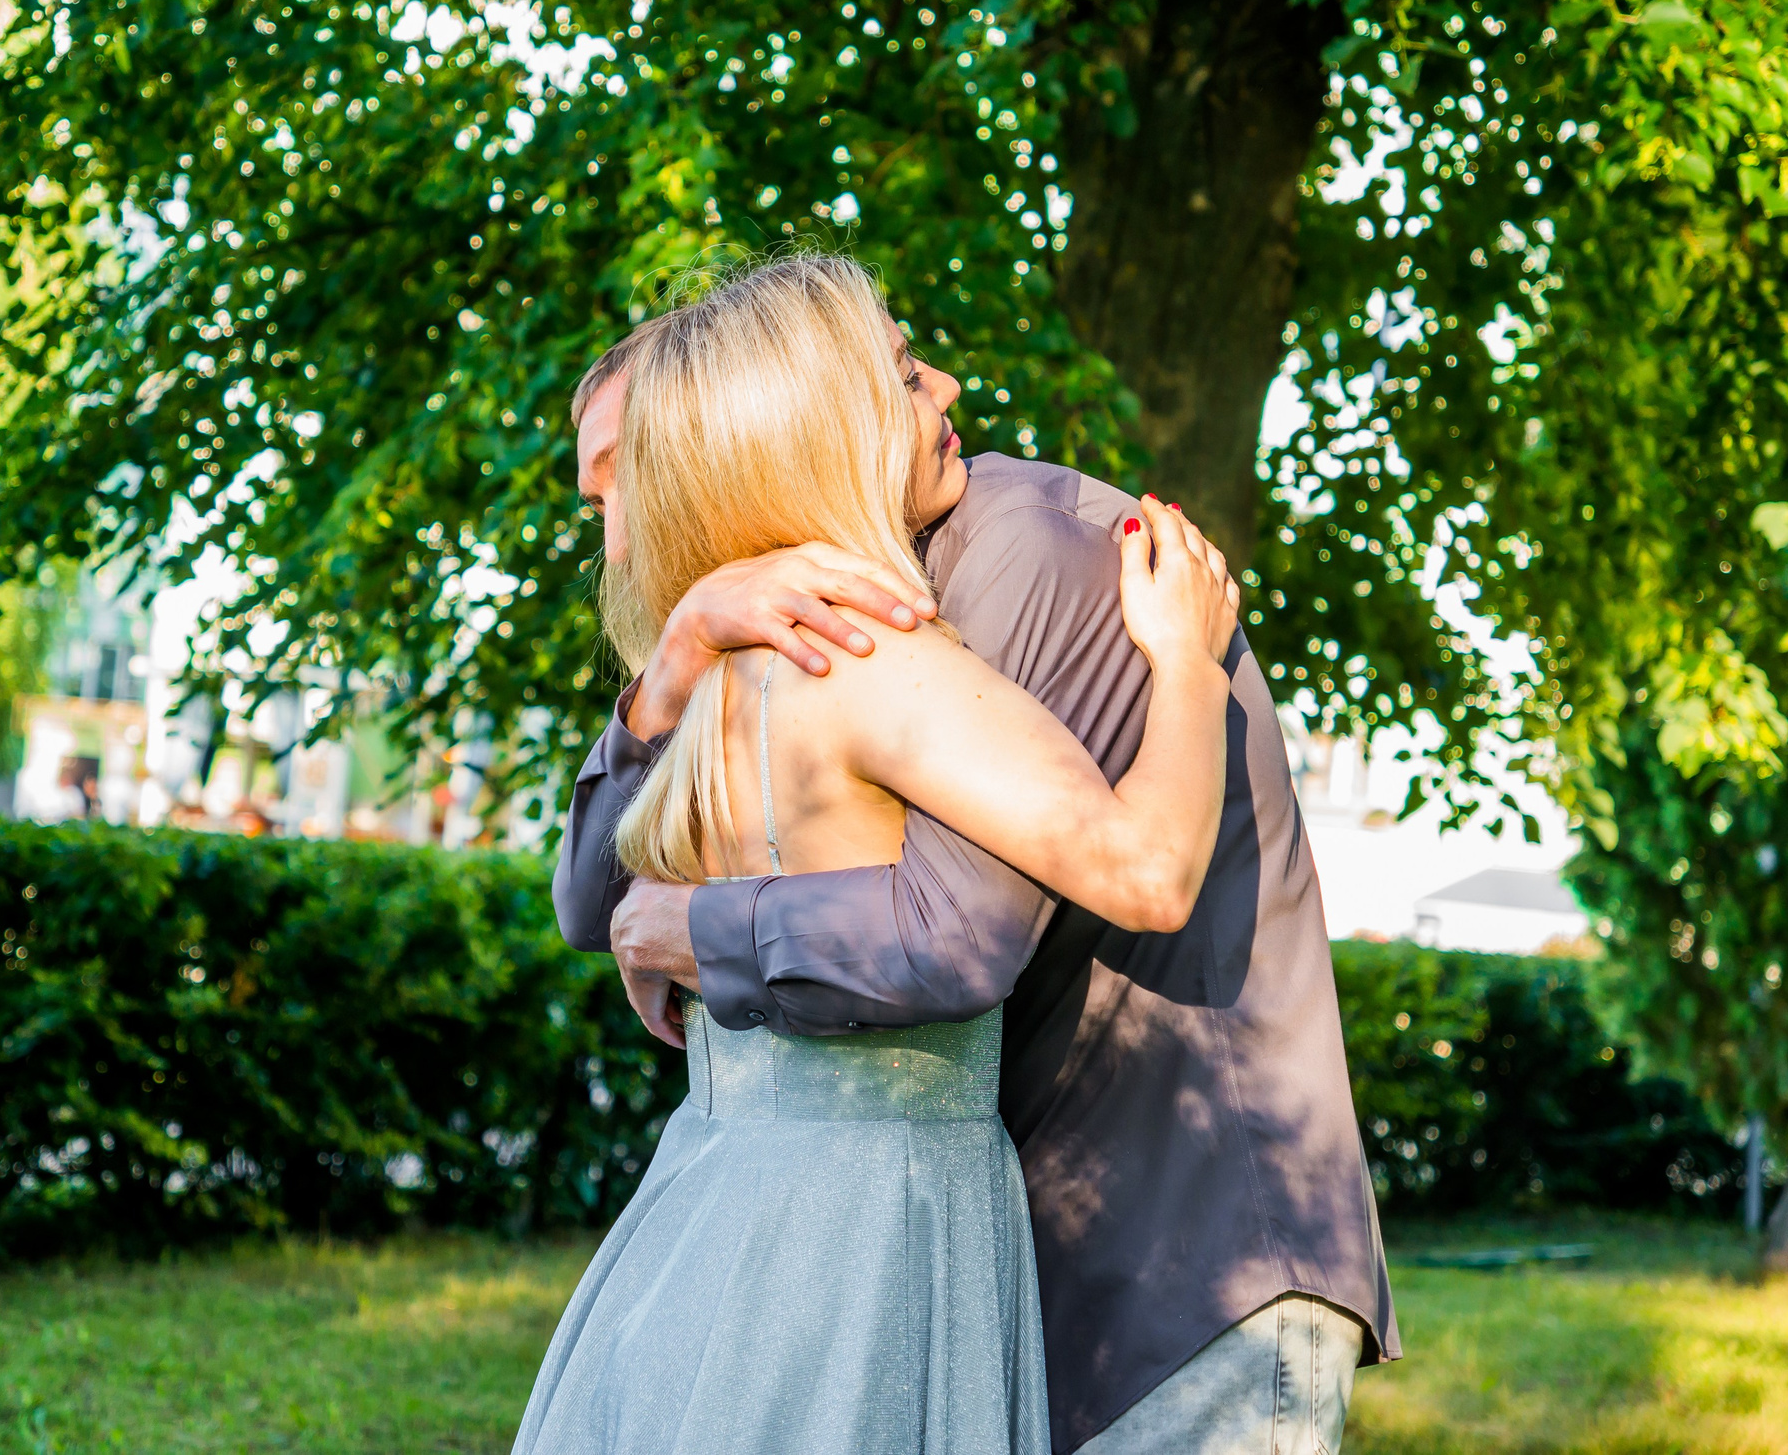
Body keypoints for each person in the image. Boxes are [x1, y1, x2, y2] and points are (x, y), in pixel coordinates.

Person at [558, 256, 1397, 1455]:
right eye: (902, 376)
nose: (622, 527)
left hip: (1176, 1252)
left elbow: (948, 933)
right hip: (921, 1239)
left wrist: (685, 928)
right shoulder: (802, 637)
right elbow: (599, 904)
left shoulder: (1014, 558)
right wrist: (679, 646)